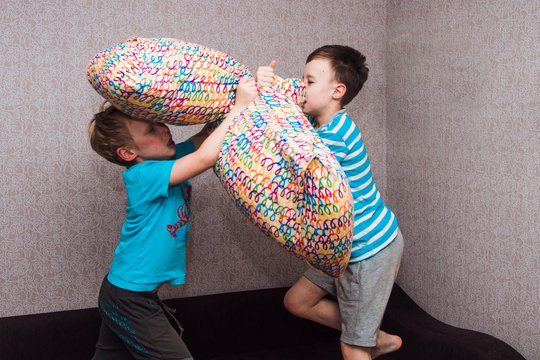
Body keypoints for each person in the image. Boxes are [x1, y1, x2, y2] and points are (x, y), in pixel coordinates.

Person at [88, 77, 258, 360]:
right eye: (150, 129)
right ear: (129, 153)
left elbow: (201, 139)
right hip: (130, 298)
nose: (163, 128)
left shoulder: (165, 161)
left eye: (159, 122)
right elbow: (204, 158)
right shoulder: (143, 175)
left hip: (126, 294)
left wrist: (229, 105)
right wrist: (240, 106)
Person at [256, 46, 404, 360]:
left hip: (367, 248)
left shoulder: (333, 136)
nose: (300, 87)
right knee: (298, 302)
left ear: (337, 91)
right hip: (339, 247)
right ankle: (378, 338)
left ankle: (363, 338)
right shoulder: (318, 128)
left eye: (309, 81)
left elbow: (292, 167)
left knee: (352, 346)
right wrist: (267, 86)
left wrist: (266, 99)